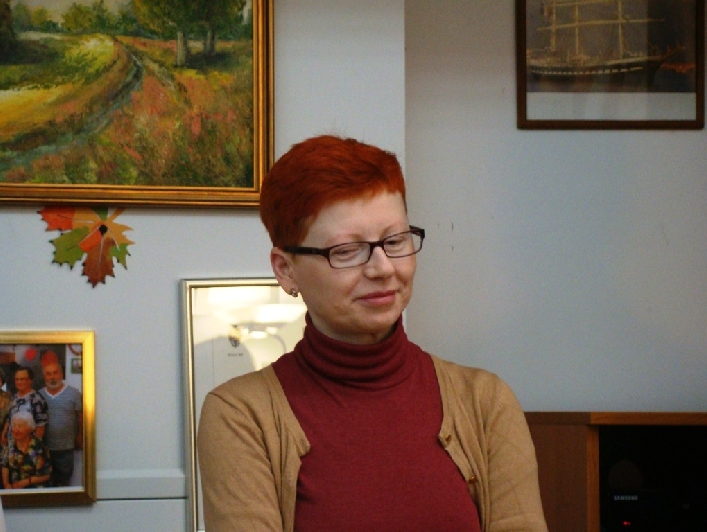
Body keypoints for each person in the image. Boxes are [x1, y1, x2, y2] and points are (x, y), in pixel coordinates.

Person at [198, 135, 548, 532]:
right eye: (347, 251)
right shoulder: (241, 416)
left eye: (395, 241)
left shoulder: (485, 403)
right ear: (285, 269)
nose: (383, 268)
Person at [39, 353, 83, 487]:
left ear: (61, 374)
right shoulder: (39, 395)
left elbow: (81, 418)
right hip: (45, 448)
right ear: (44, 376)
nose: (52, 377)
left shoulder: (74, 393)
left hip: (66, 447)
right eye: (48, 374)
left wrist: (79, 437)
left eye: (55, 373)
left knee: (64, 482)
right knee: (45, 482)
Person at [1, 411, 51, 489]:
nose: (16, 430)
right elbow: (5, 465)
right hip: (13, 489)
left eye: (20, 426)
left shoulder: (39, 446)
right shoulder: (9, 444)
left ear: (29, 428)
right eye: (14, 426)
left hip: (35, 490)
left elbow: (46, 475)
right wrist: (6, 484)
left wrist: (25, 482)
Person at [1, 367, 48, 447]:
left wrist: (32, 448)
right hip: (12, 445)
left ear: (30, 380)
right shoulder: (14, 397)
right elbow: (9, 418)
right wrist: (3, 434)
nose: (19, 382)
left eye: (22, 379)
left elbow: (41, 426)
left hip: (27, 447)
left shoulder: (37, 399)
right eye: (17, 379)